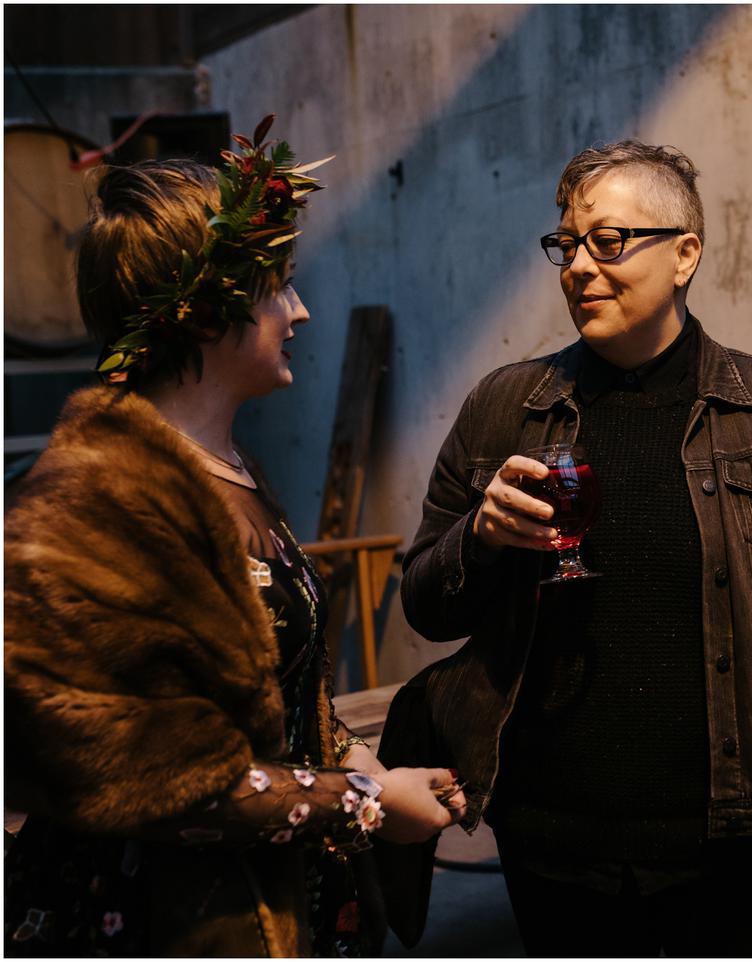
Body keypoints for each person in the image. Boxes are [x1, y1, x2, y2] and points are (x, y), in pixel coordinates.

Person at [400, 139, 752, 956]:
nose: (579, 268)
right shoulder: (505, 408)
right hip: (551, 837)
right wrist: (478, 539)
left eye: (609, 241)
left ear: (685, 254)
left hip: (741, 841)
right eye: (567, 245)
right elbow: (424, 605)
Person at [3, 117, 464, 957]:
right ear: (209, 310)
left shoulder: (226, 466)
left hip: (286, 893)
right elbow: (157, 779)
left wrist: (370, 768)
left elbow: (283, 693)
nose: (301, 309)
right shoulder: (95, 501)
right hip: (165, 922)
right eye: (278, 287)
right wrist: (365, 803)